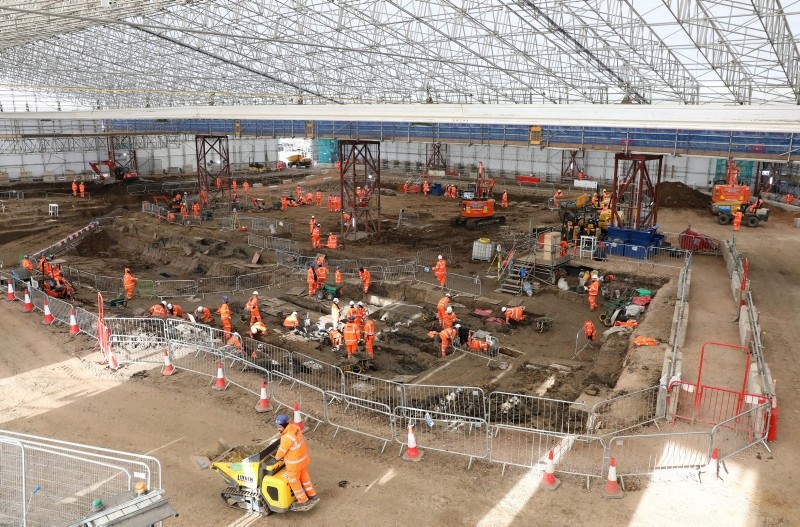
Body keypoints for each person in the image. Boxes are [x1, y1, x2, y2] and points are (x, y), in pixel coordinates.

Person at [273, 414, 319, 512]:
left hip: (294, 464)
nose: (278, 429)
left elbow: (279, 454)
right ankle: (312, 494)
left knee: (294, 482)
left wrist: (276, 457)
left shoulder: (286, 438)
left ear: (285, 425)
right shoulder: (296, 428)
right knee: (304, 477)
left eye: (280, 427)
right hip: (302, 459)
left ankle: (303, 500)